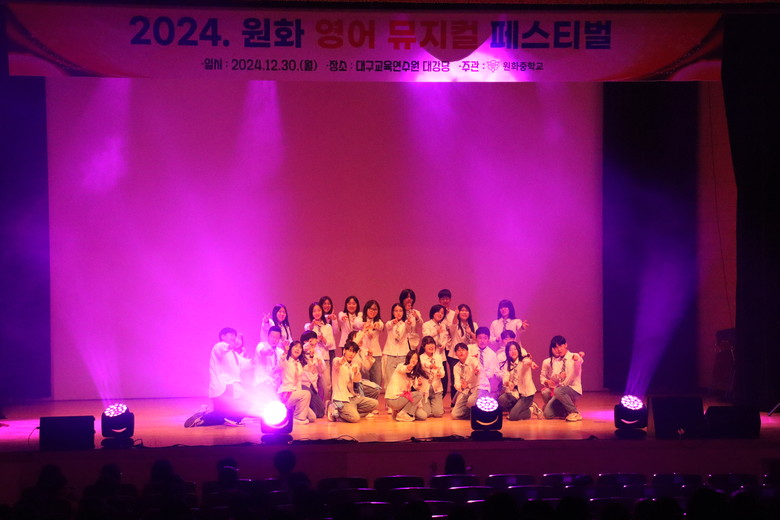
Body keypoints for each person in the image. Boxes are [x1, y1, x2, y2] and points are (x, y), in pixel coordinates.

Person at [185, 327, 252, 427]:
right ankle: (233, 419)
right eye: (231, 335)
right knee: (248, 400)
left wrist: (255, 361)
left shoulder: (233, 354)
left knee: (220, 416)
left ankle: (201, 418)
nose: (234, 338)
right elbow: (221, 349)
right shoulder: (219, 346)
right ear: (223, 336)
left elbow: (244, 363)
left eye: (235, 336)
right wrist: (230, 346)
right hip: (225, 389)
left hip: (222, 390)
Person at [327, 341, 378, 422]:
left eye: (354, 352)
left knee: (374, 403)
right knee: (355, 418)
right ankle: (334, 410)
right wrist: (342, 361)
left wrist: (355, 373)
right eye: (350, 351)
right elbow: (338, 362)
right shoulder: (336, 360)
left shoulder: (353, 366)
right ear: (344, 350)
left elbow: (354, 381)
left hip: (351, 397)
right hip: (341, 399)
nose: (351, 354)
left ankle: (350, 412)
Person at [540, 335, 584, 422]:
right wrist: (559, 376)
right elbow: (554, 376)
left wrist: (578, 359)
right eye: (556, 347)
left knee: (558, 390)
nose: (559, 349)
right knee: (547, 414)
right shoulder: (557, 361)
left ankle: (574, 412)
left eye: (560, 346)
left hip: (573, 389)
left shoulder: (573, 355)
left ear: (566, 345)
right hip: (561, 391)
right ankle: (565, 410)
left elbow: (579, 360)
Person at [498, 341, 542, 420]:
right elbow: (505, 377)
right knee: (502, 399)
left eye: (515, 349)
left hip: (526, 395)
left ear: (518, 350)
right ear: (507, 353)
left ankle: (531, 409)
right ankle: (517, 410)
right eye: (510, 350)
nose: (513, 351)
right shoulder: (508, 364)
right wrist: (508, 383)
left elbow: (528, 362)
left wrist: (532, 363)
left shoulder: (523, 360)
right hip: (515, 394)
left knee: (513, 417)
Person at [385, 350, 428, 422]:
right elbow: (403, 369)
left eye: (416, 359)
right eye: (412, 358)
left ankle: (399, 412)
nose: (414, 360)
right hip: (394, 399)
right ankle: (402, 414)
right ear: (408, 358)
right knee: (419, 394)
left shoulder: (413, 374)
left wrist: (419, 384)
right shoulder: (400, 366)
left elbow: (415, 389)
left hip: (404, 401)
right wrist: (408, 367)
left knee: (423, 416)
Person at [278, 341, 315, 425]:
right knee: (306, 393)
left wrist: (311, 355)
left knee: (312, 417)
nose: (297, 349)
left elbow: (311, 369)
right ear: (290, 348)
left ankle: (292, 414)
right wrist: (285, 351)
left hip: (296, 395)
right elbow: (280, 365)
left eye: (300, 348)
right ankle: (298, 418)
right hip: (286, 394)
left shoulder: (299, 364)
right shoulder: (286, 361)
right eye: (295, 347)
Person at [304, 301, 335, 400]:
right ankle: (316, 404)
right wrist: (312, 326)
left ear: (322, 312)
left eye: (319, 310)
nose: (317, 313)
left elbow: (330, 344)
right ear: (311, 313)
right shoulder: (308, 326)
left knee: (326, 385)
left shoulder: (328, 327)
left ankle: (326, 404)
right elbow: (305, 340)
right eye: (314, 311)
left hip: (324, 358)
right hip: (312, 359)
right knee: (313, 384)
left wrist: (323, 339)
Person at [447, 304, 478, 401]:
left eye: (466, 310)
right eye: (462, 310)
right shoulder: (456, 324)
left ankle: (467, 398)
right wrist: (455, 315)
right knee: (456, 379)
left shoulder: (474, 325)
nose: (464, 312)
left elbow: (477, 339)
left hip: (469, 355)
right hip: (455, 355)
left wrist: (470, 332)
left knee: (469, 376)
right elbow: (453, 325)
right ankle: (454, 401)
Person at [383, 302, 412, 399]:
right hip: (390, 354)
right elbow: (388, 326)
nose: (398, 313)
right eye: (396, 311)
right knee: (389, 380)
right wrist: (393, 322)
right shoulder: (389, 323)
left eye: (400, 311)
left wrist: (408, 322)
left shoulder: (405, 324)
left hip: (403, 354)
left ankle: (401, 402)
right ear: (392, 312)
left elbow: (409, 328)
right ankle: (389, 403)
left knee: (402, 380)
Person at [355, 299, 384, 388]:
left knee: (377, 379)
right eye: (370, 309)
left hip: (376, 353)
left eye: (375, 309)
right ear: (366, 309)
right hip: (364, 353)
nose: (372, 311)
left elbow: (380, 326)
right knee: (364, 379)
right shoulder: (360, 318)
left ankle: (375, 396)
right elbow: (356, 324)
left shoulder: (378, 321)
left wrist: (374, 325)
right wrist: (365, 325)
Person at [253, 325, 286, 395]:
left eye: (277, 338)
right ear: (268, 336)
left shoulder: (280, 351)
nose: (274, 339)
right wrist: (267, 352)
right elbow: (261, 351)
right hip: (262, 382)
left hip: (275, 384)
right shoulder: (262, 345)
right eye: (272, 337)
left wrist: (286, 348)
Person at [300, 330, 326, 418]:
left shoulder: (317, 353)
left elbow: (322, 371)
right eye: (311, 341)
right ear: (305, 341)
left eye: (315, 340)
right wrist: (307, 348)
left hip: (313, 386)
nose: (314, 343)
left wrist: (320, 365)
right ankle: (301, 409)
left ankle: (305, 409)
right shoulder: (300, 352)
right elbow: (304, 369)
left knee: (320, 413)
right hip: (302, 385)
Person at [418, 336, 445, 418]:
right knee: (426, 413)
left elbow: (442, 371)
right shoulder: (420, 358)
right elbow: (423, 365)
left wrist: (440, 374)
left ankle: (435, 405)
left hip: (436, 389)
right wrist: (430, 365)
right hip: (424, 390)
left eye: (432, 343)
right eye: (428, 344)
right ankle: (424, 405)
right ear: (423, 346)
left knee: (438, 414)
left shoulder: (438, 357)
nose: (431, 346)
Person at [451, 343, 480, 420]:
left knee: (471, 401)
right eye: (458, 350)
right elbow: (456, 383)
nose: (461, 352)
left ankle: (479, 413)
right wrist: (461, 386)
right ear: (455, 354)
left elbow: (478, 367)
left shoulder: (473, 360)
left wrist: (477, 371)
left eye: (463, 350)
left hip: (477, 388)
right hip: (466, 391)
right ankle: (474, 414)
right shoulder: (456, 367)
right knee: (455, 415)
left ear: (467, 352)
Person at [474, 326, 500, 398]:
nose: (482, 341)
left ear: (488, 339)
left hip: (483, 385)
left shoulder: (492, 354)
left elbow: (490, 374)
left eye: (485, 338)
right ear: (476, 338)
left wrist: (480, 373)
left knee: (473, 400)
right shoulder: (470, 350)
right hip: (470, 383)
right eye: (480, 338)